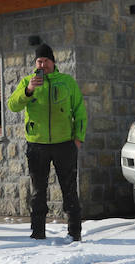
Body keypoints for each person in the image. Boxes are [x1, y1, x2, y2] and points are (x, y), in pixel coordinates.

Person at [7, 43, 86, 241]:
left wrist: (78, 138)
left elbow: (80, 111)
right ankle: (37, 233)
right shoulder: (28, 82)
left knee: (69, 190)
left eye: (46, 61)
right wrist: (29, 89)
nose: (42, 65)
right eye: (39, 61)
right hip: (37, 145)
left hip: (64, 144)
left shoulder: (67, 82)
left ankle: (75, 233)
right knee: (38, 192)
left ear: (53, 62)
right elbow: (12, 105)